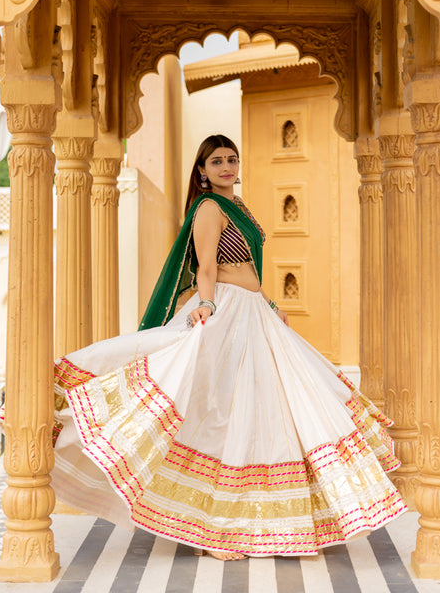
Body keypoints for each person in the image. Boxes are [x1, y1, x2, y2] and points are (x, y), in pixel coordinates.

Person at [49, 134, 406, 561]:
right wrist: (206, 305)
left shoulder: (239, 206)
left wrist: (269, 303)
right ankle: (208, 531)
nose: (226, 167)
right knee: (219, 412)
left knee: (261, 410)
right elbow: (206, 267)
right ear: (202, 171)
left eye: (232, 159)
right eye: (216, 161)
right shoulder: (208, 208)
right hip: (227, 310)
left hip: (254, 311)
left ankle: (246, 521)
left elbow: (249, 269)